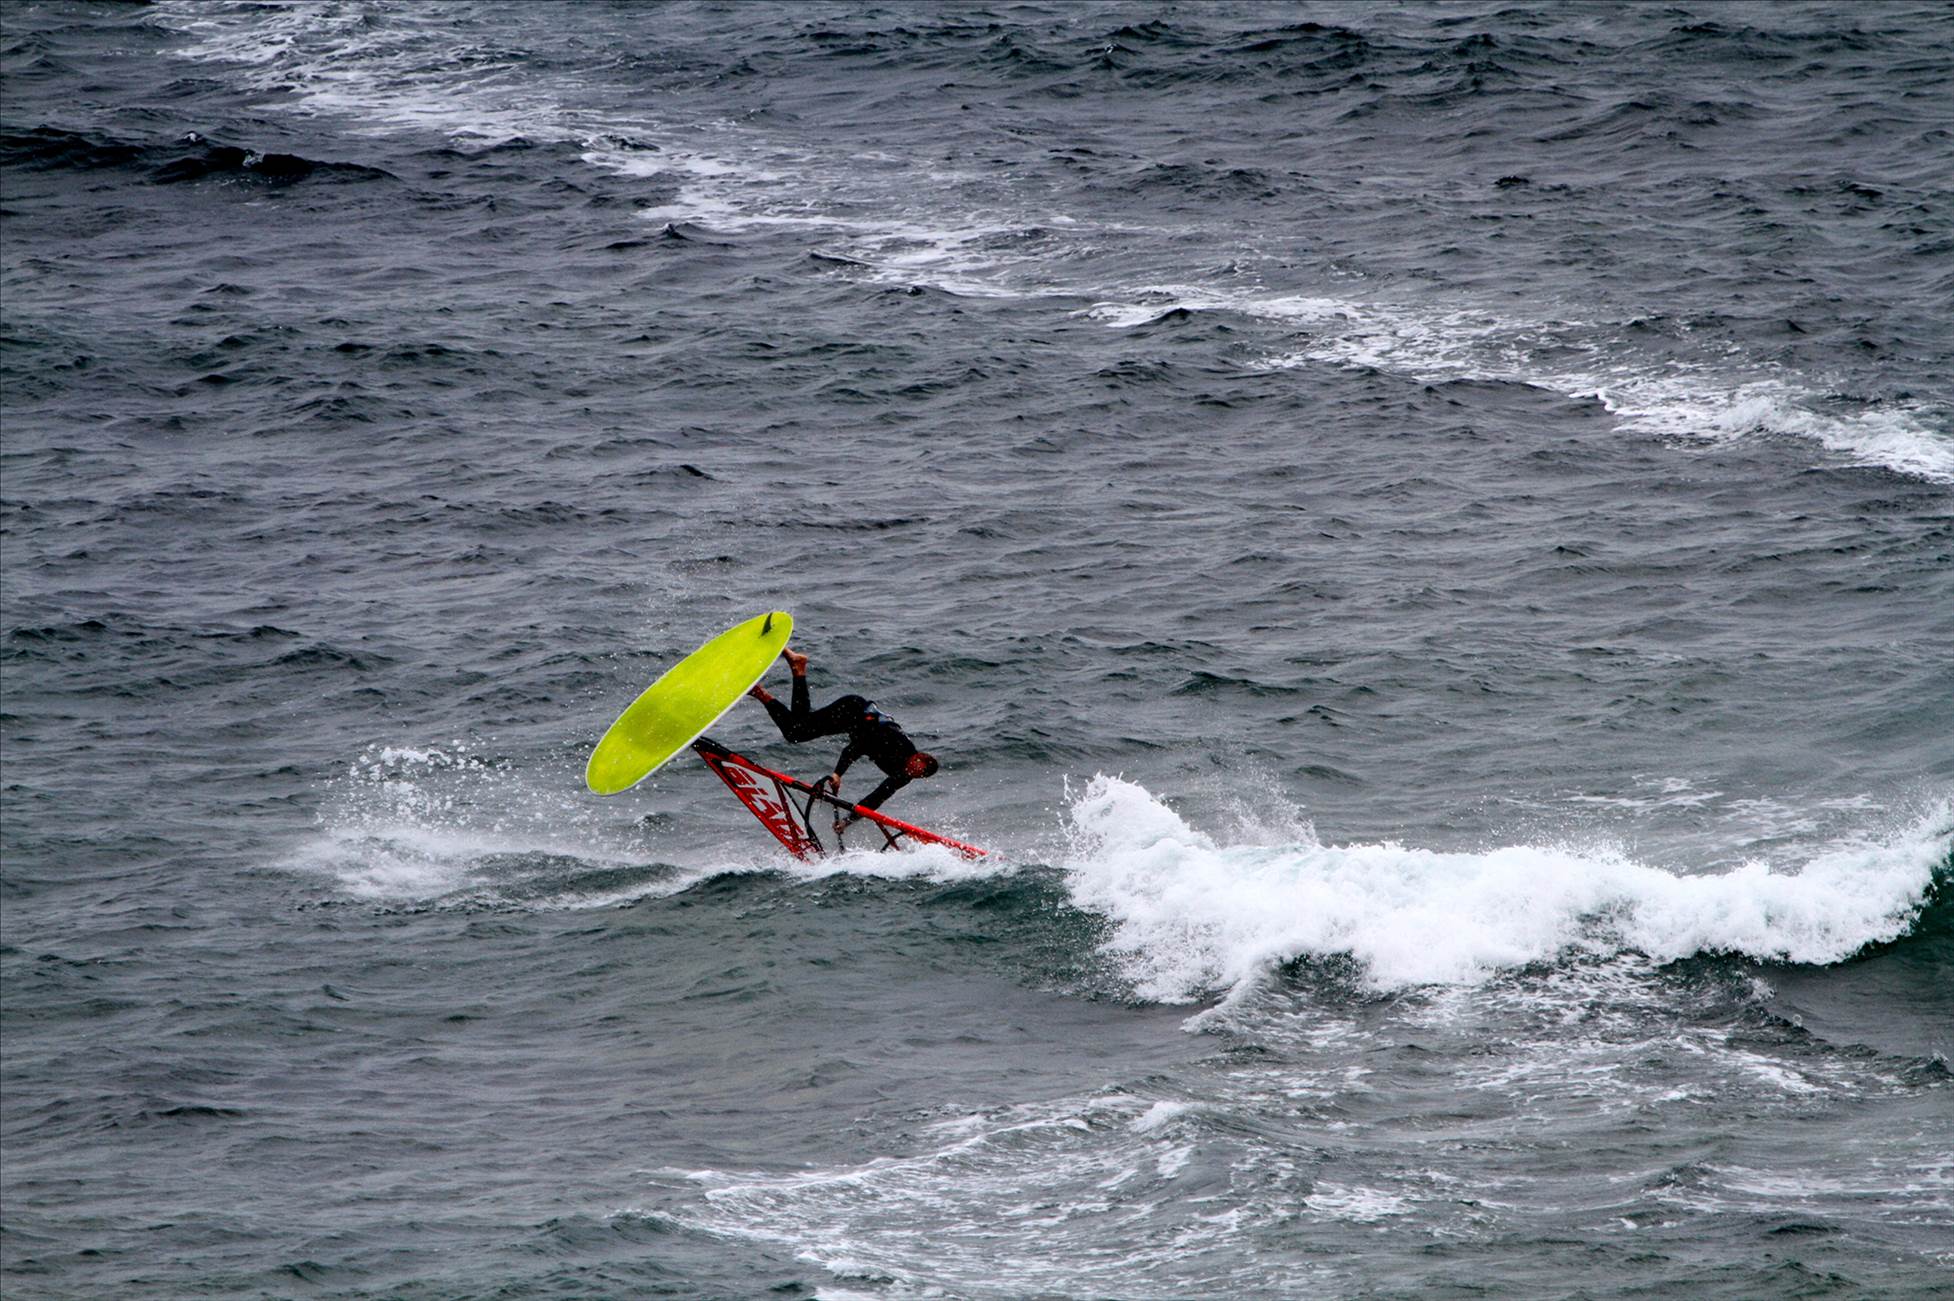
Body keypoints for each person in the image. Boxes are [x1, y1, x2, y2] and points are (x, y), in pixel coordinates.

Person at [747, 648, 939, 831]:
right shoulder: (898, 743)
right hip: (852, 710)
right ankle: (767, 688)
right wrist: (838, 774)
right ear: (918, 757)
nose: (910, 772)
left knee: (799, 726)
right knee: (797, 731)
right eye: (914, 768)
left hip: (850, 723)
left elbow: (876, 798)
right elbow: (857, 747)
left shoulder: (903, 775)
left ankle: (795, 669)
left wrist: (847, 821)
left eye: (915, 775)